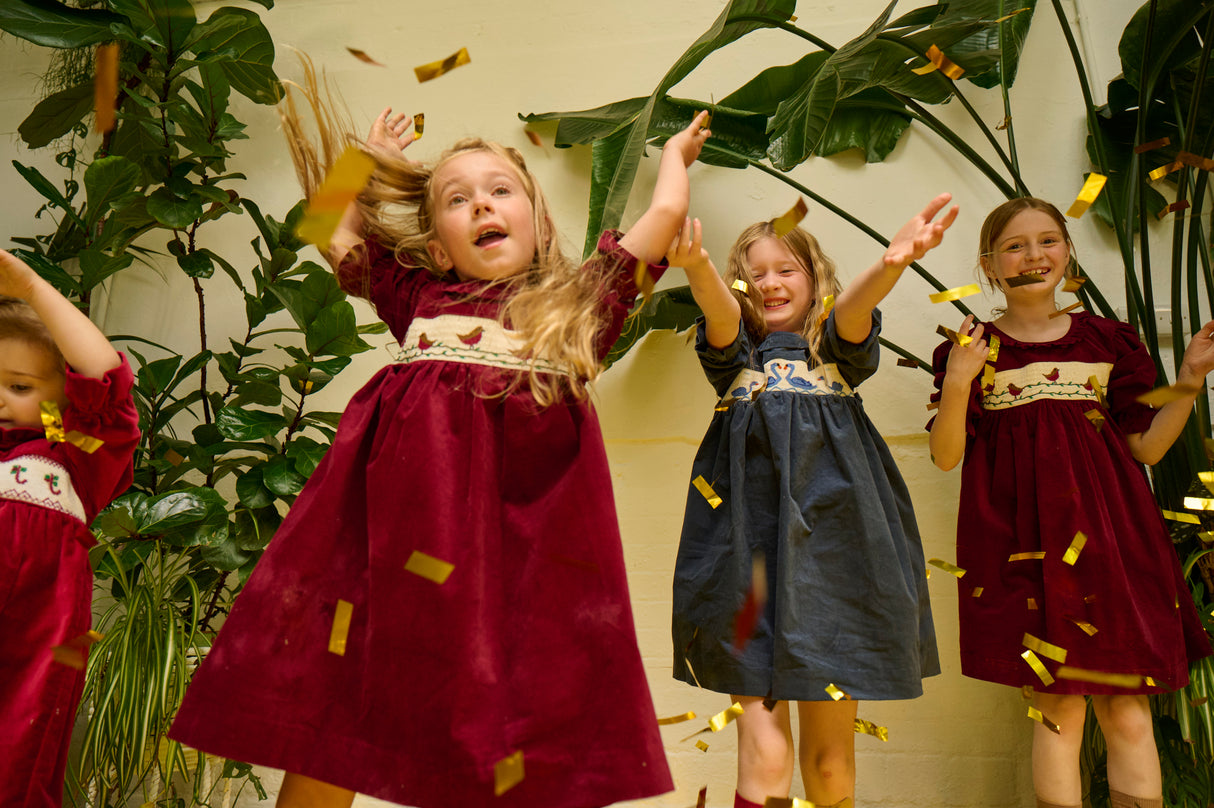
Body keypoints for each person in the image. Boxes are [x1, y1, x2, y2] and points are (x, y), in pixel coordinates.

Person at [169, 102, 712, 807]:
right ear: (437, 244)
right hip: (385, 547)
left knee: (514, 723)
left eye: (499, 190)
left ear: (537, 219)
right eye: (457, 199)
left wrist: (673, 158)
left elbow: (663, 217)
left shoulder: (579, 303)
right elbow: (326, 223)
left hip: (509, 569)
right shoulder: (417, 292)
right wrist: (363, 160)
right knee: (338, 699)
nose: (481, 202)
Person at [667, 197, 955, 808]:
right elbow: (720, 312)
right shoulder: (736, 354)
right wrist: (698, 269)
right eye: (754, 273)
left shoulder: (839, 353)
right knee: (766, 754)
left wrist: (892, 262)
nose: (770, 283)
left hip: (839, 562)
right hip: (746, 562)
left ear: (814, 277)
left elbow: (853, 312)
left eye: (786, 269)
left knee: (829, 765)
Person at [929, 197, 1214, 808]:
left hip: (1114, 545)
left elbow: (1147, 449)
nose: (1034, 256)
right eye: (1015, 245)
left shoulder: (1109, 341)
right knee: (1057, 708)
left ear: (1067, 251)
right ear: (988, 262)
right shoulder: (972, 346)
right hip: (1022, 552)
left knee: (1128, 708)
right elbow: (947, 455)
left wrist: (1189, 377)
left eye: (1048, 241)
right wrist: (958, 380)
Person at [0, 249, 139, 807]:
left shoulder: (71, 452)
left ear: (60, 396)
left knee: (19, 757)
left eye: (20, 385)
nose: (0, 399)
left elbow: (102, 377)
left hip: (36, 653)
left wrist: (31, 287)